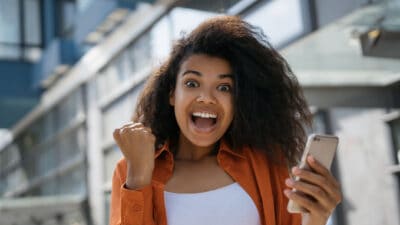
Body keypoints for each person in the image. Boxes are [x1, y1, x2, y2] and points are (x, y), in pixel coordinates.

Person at [110, 15, 342, 225]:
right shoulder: (131, 169)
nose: (207, 98)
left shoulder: (267, 164)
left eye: (224, 87)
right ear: (172, 94)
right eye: (192, 83)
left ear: (239, 100)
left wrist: (316, 218)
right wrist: (139, 178)